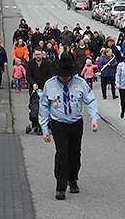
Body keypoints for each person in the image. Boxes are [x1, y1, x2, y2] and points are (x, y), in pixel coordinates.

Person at [38, 56, 100, 200]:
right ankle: (60, 186)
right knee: (61, 153)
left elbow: (90, 100)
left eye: (68, 76)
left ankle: (73, 179)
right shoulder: (49, 85)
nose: (65, 79)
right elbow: (44, 107)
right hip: (58, 123)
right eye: (63, 76)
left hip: (75, 123)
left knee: (75, 153)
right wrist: (45, 128)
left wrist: (94, 119)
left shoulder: (80, 83)